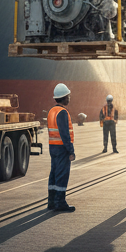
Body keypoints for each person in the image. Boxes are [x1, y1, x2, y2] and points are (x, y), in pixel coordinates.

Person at [47, 83, 76, 212]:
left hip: (52, 147)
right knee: (62, 175)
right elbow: (65, 134)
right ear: (64, 97)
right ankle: (60, 202)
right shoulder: (62, 112)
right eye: (68, 96)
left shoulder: (51, 111)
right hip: (62, 148)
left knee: (53, 174)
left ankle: (51, 201)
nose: (69, 98)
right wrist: (71, 150)